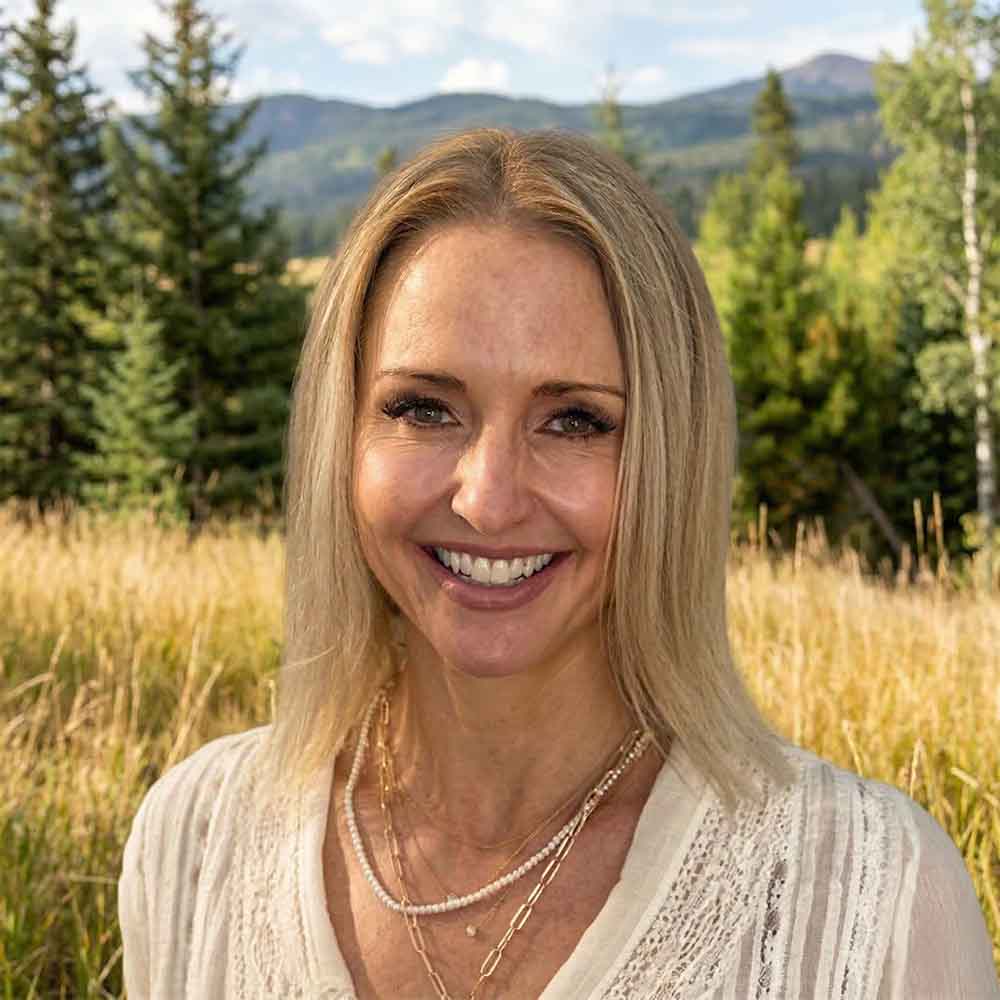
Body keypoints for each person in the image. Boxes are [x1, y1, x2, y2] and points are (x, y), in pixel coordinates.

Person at [118, 128, 999, 999]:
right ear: (340, 437)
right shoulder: (196, 844)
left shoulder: (874, 901)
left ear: (672, 458)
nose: (488, 499)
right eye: (425, 409)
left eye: (574, 420)